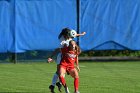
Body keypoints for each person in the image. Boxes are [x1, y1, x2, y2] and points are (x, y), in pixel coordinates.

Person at [48, 28, 86, 93]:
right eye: (68, 35)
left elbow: (74, 34)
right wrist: (51, 57)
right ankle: (53, 85)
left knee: (63, 73)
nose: (70, 36)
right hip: (62, 55)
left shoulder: (69, 37)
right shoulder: (62, 40)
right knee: (59, 72)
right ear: (65, 35)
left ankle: (59, 83)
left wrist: (81, 34)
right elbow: (58, 49)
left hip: (68, 57)